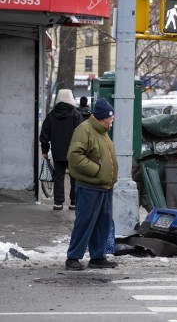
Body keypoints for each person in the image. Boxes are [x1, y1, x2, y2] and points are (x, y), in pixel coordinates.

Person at [65, 98, 118, 270]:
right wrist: (97, 170)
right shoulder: (84, 130)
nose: (112, 120)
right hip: (90, 186)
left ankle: (97, 257)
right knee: (85, 222)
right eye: (111, 117)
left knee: (102, 223)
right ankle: (73, 257)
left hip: (104, 187)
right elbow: (75, 157)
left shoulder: (102, 131)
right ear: (103, 117)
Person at [39, 89, 83, 210]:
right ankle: (73, 202)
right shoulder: (76, 114)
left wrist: (45, 150)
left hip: (57, 152)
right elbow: (82, 134)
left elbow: (44, 135)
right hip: (73, 152)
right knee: (74, 177)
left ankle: (58, 202)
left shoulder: (51, 116)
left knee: (59, 176)